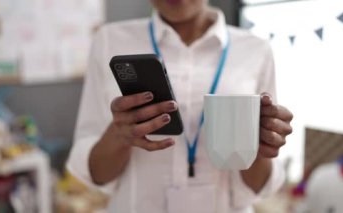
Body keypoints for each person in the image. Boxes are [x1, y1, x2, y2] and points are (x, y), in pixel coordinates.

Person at [67, 0, 293, 212]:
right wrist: (119, 135)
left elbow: (259, 184)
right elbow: (97, 173)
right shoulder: (110, 41)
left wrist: (260, 146)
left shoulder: (255, 50)